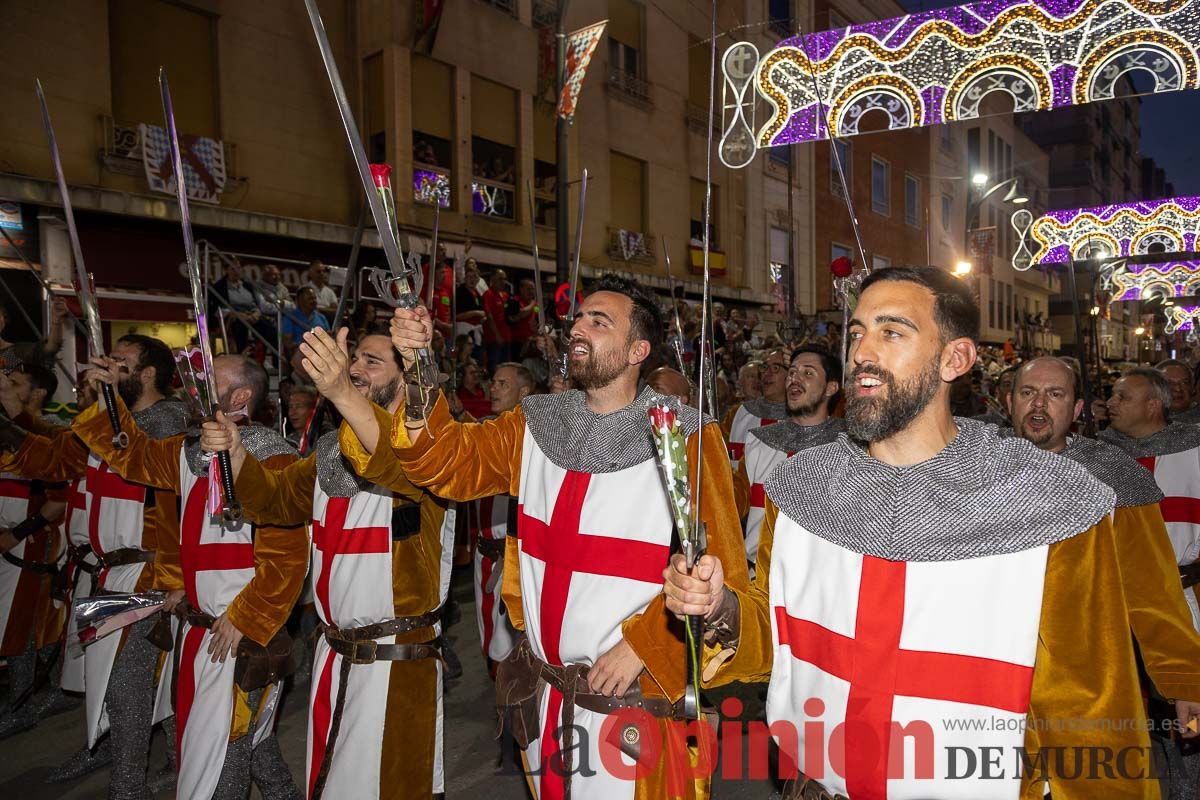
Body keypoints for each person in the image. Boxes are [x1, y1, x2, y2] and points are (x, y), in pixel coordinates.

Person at [664, 265, 1191, 799]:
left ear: (955, 359)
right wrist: (719, 608)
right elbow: (779, 639)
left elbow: (1089, 708)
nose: (861, 354)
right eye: (856, 333)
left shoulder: (1046, 500)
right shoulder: (802, 488)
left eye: (892, 332)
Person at [354, 273, 748, 799]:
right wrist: (420, 367)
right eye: (579, 318)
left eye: (599, 321)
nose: (579, 328)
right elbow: (444, 464)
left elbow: (721, 577)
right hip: (545, 696)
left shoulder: (688, 436)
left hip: (635, 708)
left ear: (638, 350)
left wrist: (648, 646)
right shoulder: (532, 423)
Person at [200, 330, 455, 799]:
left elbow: (396, 461)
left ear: (405, 380)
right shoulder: (329, 451)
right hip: (333, 655)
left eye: (372, 362)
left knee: (391, 788)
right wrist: (236, 453)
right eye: (353, 357)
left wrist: (339, 389)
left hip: (394, 661)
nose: (355, 366)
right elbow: (276, 501)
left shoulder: (431, 449)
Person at [74, 354, 306, 800]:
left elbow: (288, 554)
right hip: (198, 626)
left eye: (209, 378)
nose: (195, 383)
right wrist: (107, 400)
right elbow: (133, 455)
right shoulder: (187, 450)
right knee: (233, 742)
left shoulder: (271, 456)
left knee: (225, 754)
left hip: (236, 629)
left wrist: (250, 617)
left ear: (239, 397)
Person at [0, 334, 188, 795]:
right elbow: (53, 459)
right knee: (118, 676)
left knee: (133, 680)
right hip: (106, 570)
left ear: (147, 374)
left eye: (119, 363)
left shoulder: (171, 419)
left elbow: (143, 458)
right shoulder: (105, 419)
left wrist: (104, 403)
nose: (105, 366)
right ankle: (123, 759)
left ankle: (131, 784)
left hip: (150, 573)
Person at [1011, 356, 1200, 800]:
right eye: (1027, 393)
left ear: (1077, 410)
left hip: (1089, 689)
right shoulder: (974, 473)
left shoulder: (1115, 478)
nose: (1039, 405)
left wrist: (1186, 684)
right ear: (1009, 401)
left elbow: (1153, 593)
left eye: (1055, 394)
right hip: (997, 687)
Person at [1099, 366, 1200, 628]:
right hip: (1114, 595)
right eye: (1113, 395)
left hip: (1182, 592)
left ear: (1152, 406)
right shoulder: (1099, 454)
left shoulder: (1196, 448)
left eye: (1122, 397)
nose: (1111, 402)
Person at [736, 347, 844, 572]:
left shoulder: (849, 449)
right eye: (792, 372)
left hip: (818, 578)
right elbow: (734, 506)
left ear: (831, 388)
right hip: (757, 577)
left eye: (808, 373)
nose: (795, 379)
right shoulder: (759, 442)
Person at [469, 362, 535, 671]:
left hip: (520, 561)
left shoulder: (538, 436)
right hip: (485, 558)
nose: (493, 388)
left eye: (502, 384)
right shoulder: (480, 431)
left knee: (518, 655)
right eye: (493, 382)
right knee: (492, 652)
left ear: (524, 392)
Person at [721, 349, 788, 468]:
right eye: (765, 367)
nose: (767, 373)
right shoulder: (737, 414)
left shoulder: (803, 419)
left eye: (776, 368)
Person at [212, 260, 273, 356]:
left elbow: (258, 304)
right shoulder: (219, 287)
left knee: (270, 327)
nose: (236, 271)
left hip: (252, 316)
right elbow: (216, 309)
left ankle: (271, 359)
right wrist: (237, 314)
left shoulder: (248, 285)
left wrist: (256, 313)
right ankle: (242, 357)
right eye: (233, 269)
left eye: (238, 268)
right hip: (235, 318)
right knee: (240, 326)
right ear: (226, 270)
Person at [482, 269, 511, 370]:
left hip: (507, 337)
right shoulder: (488, 294)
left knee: (506, 367)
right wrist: (497, 335)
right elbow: (489, 316)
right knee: (494, 367)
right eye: (500, 279)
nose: (503, 281)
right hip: (494, 339)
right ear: (492, 280)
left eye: (504, 279)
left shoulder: (505, 296)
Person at [1158, 358, 1200, 424]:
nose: (1178, 388)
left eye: (1185, 382)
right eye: (1169, 383)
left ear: (1192, 388)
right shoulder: (1142, 421)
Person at [505, 278, 539, 357]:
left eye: (532, 289)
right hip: (518, 342)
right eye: (528, 289)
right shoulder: (514, 301)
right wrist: (532, 304)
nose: (531, 291)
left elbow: (537, 315)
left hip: (532, 342)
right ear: (521, 289)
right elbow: (521, 314)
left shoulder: (535, 304)